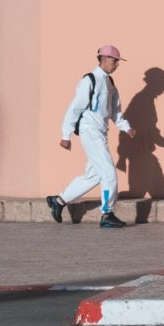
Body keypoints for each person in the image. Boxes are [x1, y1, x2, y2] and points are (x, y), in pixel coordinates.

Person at [47, 45, 133, 229]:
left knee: (93, 175)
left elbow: (115, 111)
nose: (117, 64)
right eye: (114, 60)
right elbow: (75, 107)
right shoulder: (90, 80)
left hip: (101, 132)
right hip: (89, 130)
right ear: (103, 58)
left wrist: (126, 127)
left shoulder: (110, 83)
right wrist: (66, 134)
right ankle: (107, 214)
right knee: (109, 172)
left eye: (118, 61)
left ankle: (59, 201)